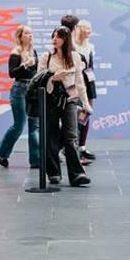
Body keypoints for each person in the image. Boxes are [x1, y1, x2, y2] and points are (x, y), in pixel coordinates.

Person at [40, 26, 92, 187]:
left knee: (71, 137)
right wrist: (53, 77)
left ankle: (77, 175)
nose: (55, 39)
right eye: (53, 36)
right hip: (50, 98)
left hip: (70, 98)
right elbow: (39, 78)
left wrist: (85, 103)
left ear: (66, 39)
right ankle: (54, 172)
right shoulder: (47, 56)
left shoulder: (75, 57)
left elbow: (80, 82)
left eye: (59, 36)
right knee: (51, 136)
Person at [0, 25, 41, 168]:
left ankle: (36, 160)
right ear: (20, 36)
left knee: (35, 126)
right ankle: (1, 152)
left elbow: (36, 72)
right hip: (19, 89)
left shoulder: (34, 52)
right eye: (27, 33)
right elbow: (12, 73)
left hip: (33, 89)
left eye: (31, 33)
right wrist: (25, 65)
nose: (30, 35)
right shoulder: (15, 52)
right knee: (19, 125)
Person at [73, 20, 98, 164]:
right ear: (80, 29)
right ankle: (72, 148)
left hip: (88, 84)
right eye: (87, 28)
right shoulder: (73, 46)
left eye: (90, 28)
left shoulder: (90, 47)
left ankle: (82, 147)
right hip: (76, 84)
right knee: (75, 116)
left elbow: (91, 67)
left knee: (86, 114)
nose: (89, 31)